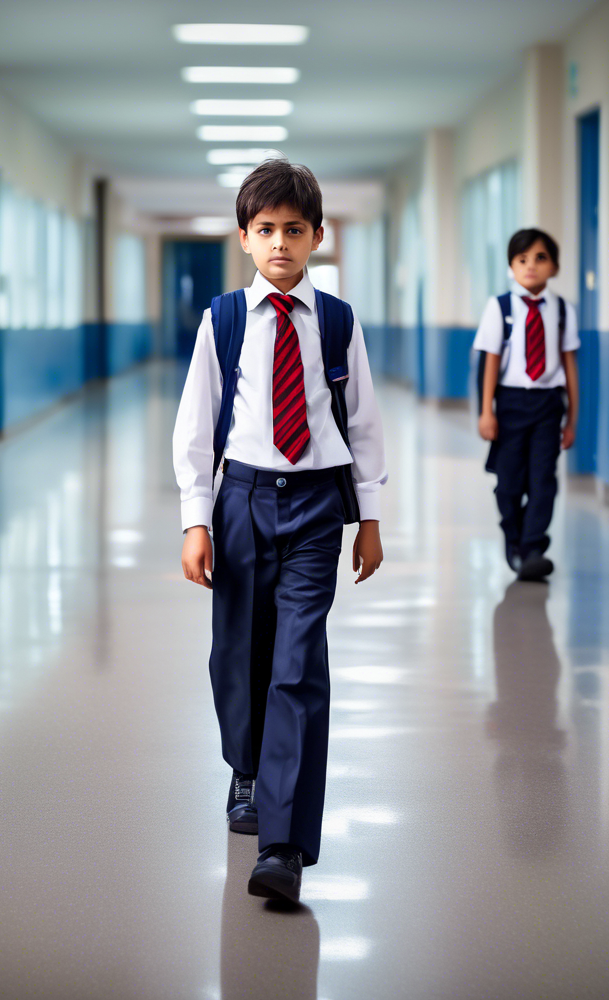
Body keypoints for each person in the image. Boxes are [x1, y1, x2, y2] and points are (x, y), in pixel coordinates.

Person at [172, 158, 387, 904]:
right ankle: (248, 767)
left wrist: (370, 518)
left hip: (316, 507)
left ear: (318, 236)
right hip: (244, 499)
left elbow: (361, 423)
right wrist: (196, 521)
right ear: (244, 238)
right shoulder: (225, 321)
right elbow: (196, 430)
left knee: (299, 661)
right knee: (241, 651)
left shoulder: (335, 322)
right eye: (266, 230)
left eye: (295, 230)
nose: (281, 244)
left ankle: (284, 844)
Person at [473, 228, 580, 581]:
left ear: (554, 267)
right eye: (522, 259)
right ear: (511, 267)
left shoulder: (562, 310)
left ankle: (533, 548)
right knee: (508, 483)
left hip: (549, 405)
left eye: (540, 258)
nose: (530, 266)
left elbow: (569, 365)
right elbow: (489, 362)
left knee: (543, 480)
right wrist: (486, 411)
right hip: (510, 402)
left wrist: (572, 419)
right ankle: (514, 538)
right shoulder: (500, 307)